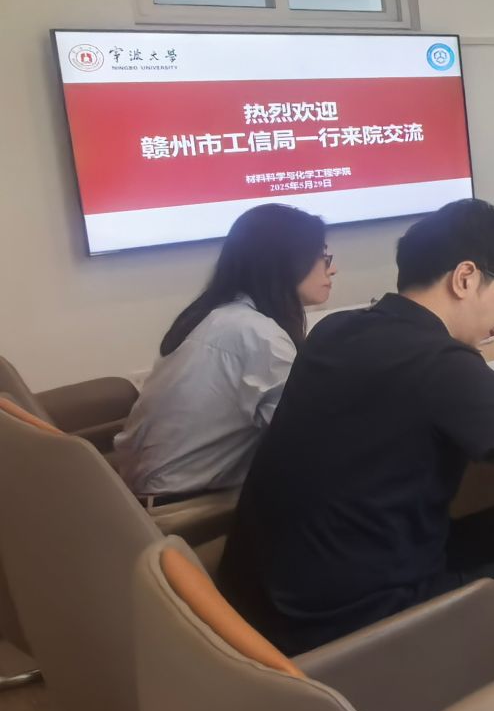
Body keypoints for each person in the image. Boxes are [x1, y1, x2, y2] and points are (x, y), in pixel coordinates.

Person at [219, 199, 494, 680]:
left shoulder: (338, 328)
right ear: (465, 278)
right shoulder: (437, 361)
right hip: (358, 624)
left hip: (274, 603)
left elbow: (396, 420)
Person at [111, 204, 335, 500]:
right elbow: (308, 440)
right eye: (322, 257)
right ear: (286, 262)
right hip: (188, 505)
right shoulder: (256, 334)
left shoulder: (220, 315)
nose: (332, 269)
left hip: (140, 491)